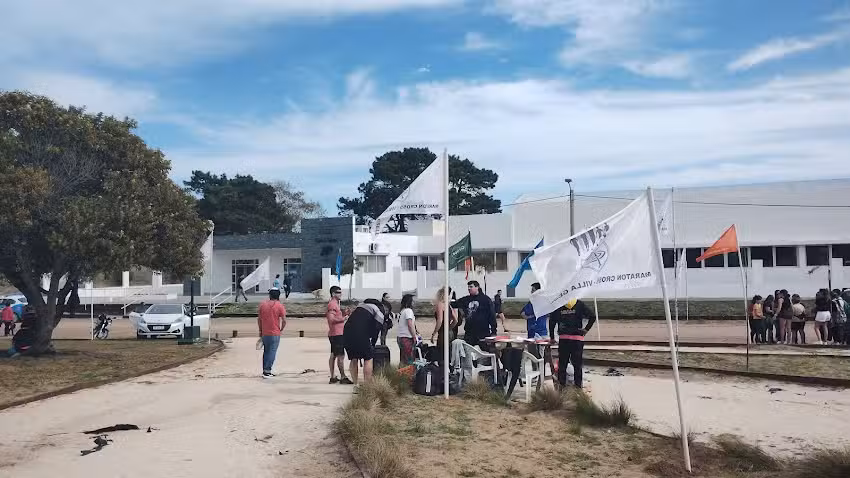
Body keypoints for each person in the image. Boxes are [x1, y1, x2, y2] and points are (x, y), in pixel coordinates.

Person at [549, 298, 596, 389]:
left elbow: (552, 321)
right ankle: (578, 388)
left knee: (562, 365)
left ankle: (561, 388)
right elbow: (592, 316)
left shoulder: (559, 304)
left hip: (564, 339)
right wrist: (586, 329)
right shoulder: (579, 304)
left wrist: (552, 337)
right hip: (577, 339)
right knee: (577, 366)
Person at [343, 299, 385, 384]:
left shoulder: (359, 307)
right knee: (368, 358)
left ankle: (355, 385)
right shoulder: (378, 310)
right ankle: (367, 386)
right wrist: (372, 345)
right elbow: (377, 330)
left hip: (346, 332)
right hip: (360, 333)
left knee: (354, 358)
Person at [451, 281, 497, 347]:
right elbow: (454, 304)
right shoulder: (466, 300)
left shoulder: (485, 300)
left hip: (483, 332)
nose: (469, 288)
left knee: (483, 351)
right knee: (468, 352)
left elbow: (492, 316)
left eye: (471, 287)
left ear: (477, 287)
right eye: (468, 287)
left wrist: (494, 331)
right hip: (469, 332)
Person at [257, 289, 287, 378]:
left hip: (265, 332)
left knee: (266, 352)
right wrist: (281, 329)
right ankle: (267, 371)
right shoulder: (279, 306)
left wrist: (260, 330)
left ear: (270, 295)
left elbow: (259, 319)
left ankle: (265, 370)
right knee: (272, 352)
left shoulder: (262, 304)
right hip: (275, 332)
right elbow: (284, 320)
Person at [326, 286, 352, 384]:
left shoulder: (335, 304)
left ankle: (333, 376)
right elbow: (331, 319)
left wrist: (344, 313)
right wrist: (343, 318)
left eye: (341, 292)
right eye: (338, 292)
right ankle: (343, 377)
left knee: (334, 354)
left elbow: (335, 317)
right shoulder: (332, 304)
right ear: (333, 294)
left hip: (335, 333)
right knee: (340, 355)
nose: (341, 294)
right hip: (337, 334)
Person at [431, 287, 459, 367]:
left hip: (443, 332)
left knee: (441, 352)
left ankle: (442, 372)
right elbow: (456, 320)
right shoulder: (448, 305)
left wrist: (433, 334)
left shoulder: (440, 304)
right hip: (450, 332)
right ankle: (449, 370)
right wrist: (450, 327)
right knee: (449, 352)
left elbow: (439, 320)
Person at [397, 294, 418, 365]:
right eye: (413, 301)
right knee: (409, 360)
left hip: (400, 337)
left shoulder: (402, 311)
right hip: (407, 338)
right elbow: (410, 324)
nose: (414, 303)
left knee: (403, 359)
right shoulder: (408, 311)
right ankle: (408, 375)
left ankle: (401, 374)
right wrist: (414, 336)